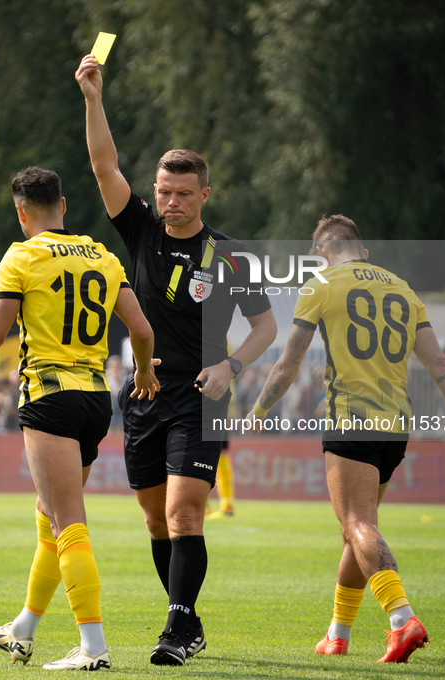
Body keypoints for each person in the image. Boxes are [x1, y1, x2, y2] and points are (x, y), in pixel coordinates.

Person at [75, 55, 277, 666]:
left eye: (183, 194)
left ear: (205, 194)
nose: (171, 203)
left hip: (202, 396)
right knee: (156, 522)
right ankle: (186, 619)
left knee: (184, 508)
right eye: (164, 192)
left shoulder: (231, 254)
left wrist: (232, 366)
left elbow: (265, 327)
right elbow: (103, 164)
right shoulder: (140, 230)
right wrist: (92, 97)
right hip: (143, 393)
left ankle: (177, 626)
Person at [0, 166, 159, 672]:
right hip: (96, 400)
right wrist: (142, 373)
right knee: (48, 514)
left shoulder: (21, 256)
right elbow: (141, 328)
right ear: (64, 206)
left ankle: (93, 647)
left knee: (67, 520)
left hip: (50, 398)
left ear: (20, 211)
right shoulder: (102, 253)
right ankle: (23, 629)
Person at [247, 215, 445, 664]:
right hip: (397, 427)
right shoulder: (402, 289)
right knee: (358, 529)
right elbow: (439, 362)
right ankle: (337, 635)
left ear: (320, 253)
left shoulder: (321, 285)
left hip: (351, 421)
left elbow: (287, 364)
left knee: (357, 525)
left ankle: (403, 620)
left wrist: (257, 412)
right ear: (362, 250)